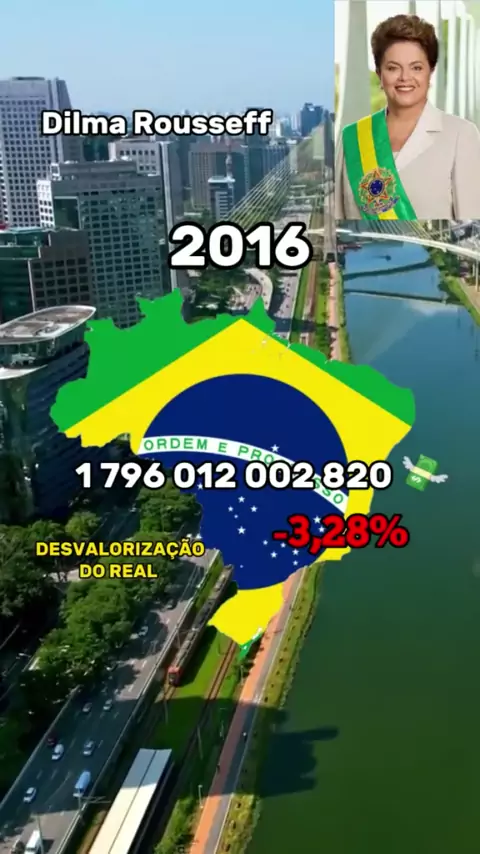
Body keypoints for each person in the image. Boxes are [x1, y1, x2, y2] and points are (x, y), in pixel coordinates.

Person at [335, 14, 480, 220]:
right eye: (393, 68)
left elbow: (472, 229)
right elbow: (337, 228)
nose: (405, 77)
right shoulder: (352, 138)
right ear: (379, 73)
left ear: (430, 72)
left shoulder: (461, 135)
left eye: (416, 68)